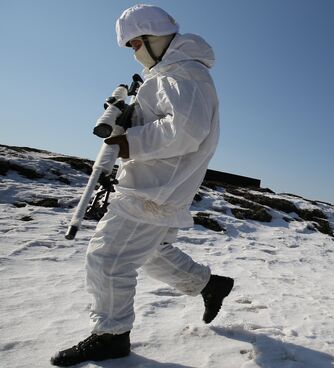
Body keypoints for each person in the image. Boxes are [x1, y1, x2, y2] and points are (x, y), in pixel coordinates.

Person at [51, 5, 233, 366]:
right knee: (150, 252)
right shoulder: (171, 73)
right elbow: (170, 120)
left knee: (107, 259)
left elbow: (185, 129)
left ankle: (111, 336)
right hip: (159, 184)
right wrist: (131, 118)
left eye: (135, 44)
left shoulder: (183, 74)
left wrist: (129, 142)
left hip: (153, 188)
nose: (134, 52)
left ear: (151, 37)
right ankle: (209, 285)